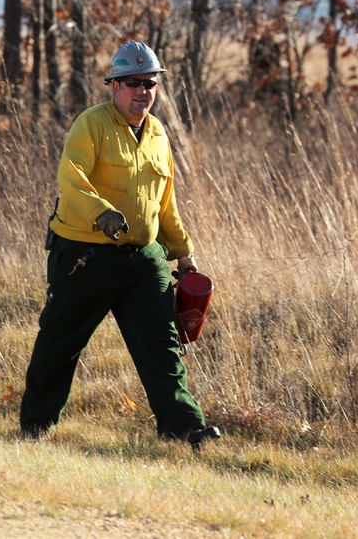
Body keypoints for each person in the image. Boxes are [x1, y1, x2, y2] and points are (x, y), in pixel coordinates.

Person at [20, 40, 220, 449]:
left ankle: (185, 429)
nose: (142, 91)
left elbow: (166, 203)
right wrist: (101, 211)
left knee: (162, 345)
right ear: (114, 87)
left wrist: (183, 252)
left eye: (150, 83)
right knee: (60, 342)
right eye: (132, 83)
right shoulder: (90, 124)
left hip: (144, 258)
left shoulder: (159, 133)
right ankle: (36, 426)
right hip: (85, 254)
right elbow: (70, 177)